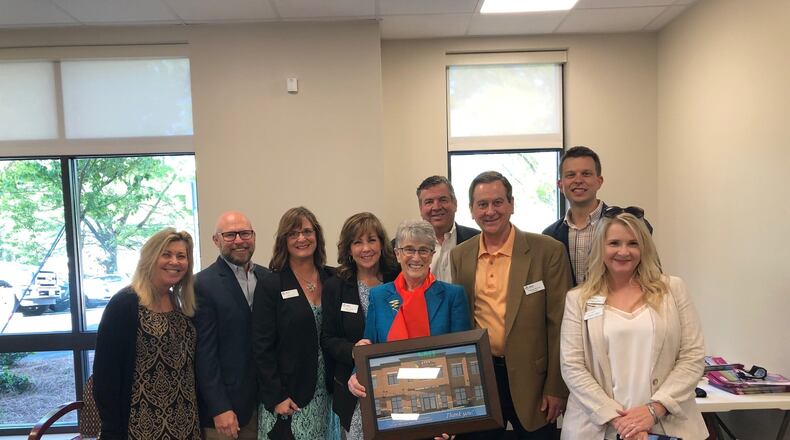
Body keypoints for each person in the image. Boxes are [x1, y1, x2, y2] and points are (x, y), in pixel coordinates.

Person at [560, 206, 707, 440]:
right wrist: (622, 422)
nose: (623, 251)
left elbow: (692, 355)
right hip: (600, 427)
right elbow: (572, 367)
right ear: (600, 247)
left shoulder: (673, 290)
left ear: (644, 248)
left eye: (633, 243)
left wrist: (653, 410)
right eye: (614, 243)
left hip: (665, 425)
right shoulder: (578, 300)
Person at [450, 171, 571, 440]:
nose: (490, 211)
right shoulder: (460, 255)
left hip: (534, 382)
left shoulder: (547, 251)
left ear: (511, 204)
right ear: (471, 210)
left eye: (498, 202)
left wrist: (556, 386)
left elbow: (560, 323)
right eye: (482, 204)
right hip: (482, 380)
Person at [348, 219, 471, 440]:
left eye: (423, 250)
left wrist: (455, 421)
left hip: (437, 409)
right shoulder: (379, 296)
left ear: (432, 254)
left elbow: (462, 358)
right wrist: (356, 375)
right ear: (397, 254)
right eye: (409, 250)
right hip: (391, 407)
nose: (416, 257)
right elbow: (369, 344)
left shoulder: (453, 296)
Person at [93, 228, 200, 439]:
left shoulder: (180, 304)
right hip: (140, 427)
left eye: (181, 256)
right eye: (166, 254)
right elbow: (105, 376)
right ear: (150, 258)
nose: (175, 262)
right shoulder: (125, 304)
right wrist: (112, 430)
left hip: (186, 422)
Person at [252, 207, 338, 439]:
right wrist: (275, 396)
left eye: (308, 231)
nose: (302, 238)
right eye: (294, 233)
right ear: (284, 241)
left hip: (329, 397)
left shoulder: (334, 279)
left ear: (317, 237)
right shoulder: (271, 285)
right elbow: (262, 347)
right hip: (289, 399)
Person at [321, 212, 399, 439]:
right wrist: (354, 351)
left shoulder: (397, 278)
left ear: (382, 244)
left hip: (397, 384)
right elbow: (328, 338)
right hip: (355, 389)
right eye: (357, 242)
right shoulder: (336, 286)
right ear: (348, 249)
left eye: (372, 240)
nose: (366, 249)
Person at [195, 211, 270, 439]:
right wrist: (219, 407)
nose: (239, 240)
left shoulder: (268, 278)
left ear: (254, 236)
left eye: (244, 233)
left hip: (267, 405)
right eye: (230, 235)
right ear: (216, 240)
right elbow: (204, 354)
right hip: (228, 412)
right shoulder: (202, 284)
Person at [543, 146, 652, 285]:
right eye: (570, 175)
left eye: (586, 174)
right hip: (569, 306)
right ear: (560, 185)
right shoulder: (549, 235)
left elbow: (650, 271)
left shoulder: (629, 226)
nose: (578, 180)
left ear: (599, 181)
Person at [414, 176, 479, 282]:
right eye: (429, 202)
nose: (436, 207)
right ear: (421, 209)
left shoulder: (477, 240)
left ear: (455, 204)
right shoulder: (403, 247)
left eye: (443, 200)